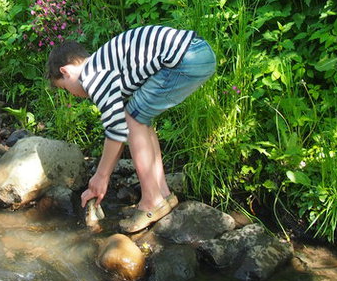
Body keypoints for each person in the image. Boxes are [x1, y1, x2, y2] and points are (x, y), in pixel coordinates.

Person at [47, 25, 216, 233]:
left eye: (66, 88)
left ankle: (151, 201)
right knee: (139, 119)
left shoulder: (92, 75)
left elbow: (117, 130)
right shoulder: (104, 64)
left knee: (132, 120)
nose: (73, 94)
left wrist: (101, 176)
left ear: (66, 71)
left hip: (185, 59)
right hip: (196, 52)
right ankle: (162, 194)